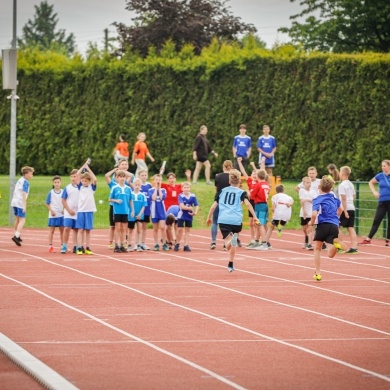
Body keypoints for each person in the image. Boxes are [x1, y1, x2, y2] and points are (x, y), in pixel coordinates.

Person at [206, 169, 259, 272]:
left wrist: (209, 217)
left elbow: (213, 207)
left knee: (228, 243)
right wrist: (255, 216)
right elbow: (248, 204)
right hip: (236, 220)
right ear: (239, 182)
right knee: (233, 244)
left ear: (229, 181)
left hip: (224, 219)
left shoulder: (222, 191)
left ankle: (231, 242)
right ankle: (230, 263)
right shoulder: (242, 192)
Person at [308, 176, 348, 281]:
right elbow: (341, 209)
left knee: (317, 248)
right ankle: (336, 244)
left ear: (319, 187)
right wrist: (336, 218)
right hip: (334, 225)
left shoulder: (317, 199)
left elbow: (313, 214)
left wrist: (311, 223)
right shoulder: (334, 198)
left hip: (322, 225)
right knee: (330, 253)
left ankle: (318, 273)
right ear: (331, 189)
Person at [359, 159, 390, 246]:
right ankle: (368, 239)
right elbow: (371, 182)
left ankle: (388, 239)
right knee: (377, 219)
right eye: (382, 166)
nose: (383, 167)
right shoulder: (380, 175)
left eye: (384, 166)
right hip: (382, 201)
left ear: (389, 166)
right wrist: (374, 192)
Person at [105, 159, 133, 249]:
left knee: (123, 226)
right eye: (122, 164)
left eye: (126, 164)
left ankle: (123, 242)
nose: (124, 165)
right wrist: (116, 169)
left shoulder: (126, 185)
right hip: (114, 207)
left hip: (124, 208)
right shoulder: (113, 184)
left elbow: (131, 175)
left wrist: (123, 171)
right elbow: (106, 176)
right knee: (114, 225)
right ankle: (112, 242)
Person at [257, 184, 294, 250]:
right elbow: (292, 201)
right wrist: (290, 204)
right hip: (287, 214)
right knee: (284, 221)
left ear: (276, 191)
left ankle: (266, 242)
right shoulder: (289, 197)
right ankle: (280, 226)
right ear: (284, 190)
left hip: (278, 214)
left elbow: (273, 208)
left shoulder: (275, 196)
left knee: (271, 227)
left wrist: (273, 213)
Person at [75, 159, 97, 255]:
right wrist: (84, 166)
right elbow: (77, 175)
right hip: (81, 211)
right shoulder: (80, 186)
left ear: (89, 181)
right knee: (80, 230)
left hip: (89, 210)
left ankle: (87, 247)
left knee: (88, 230)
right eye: (83, 181)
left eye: (86, 181)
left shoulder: (91, 188)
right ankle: (79, 247)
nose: (84, 182)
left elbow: (95, 179)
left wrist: (88, 168)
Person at [210, 160, 233, 249]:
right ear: (231, 167)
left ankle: (213, 242)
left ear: (223, 167)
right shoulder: (232, 177)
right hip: (229, 202)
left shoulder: (218, 176)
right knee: (227, 222)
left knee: (215, 221)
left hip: (218, 200)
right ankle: (225, 243)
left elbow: (216, 188)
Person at [236, 157, 258, 247]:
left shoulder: (259, 182)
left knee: (257, 221)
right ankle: (252, 238)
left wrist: (254, 167)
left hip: (257, 202)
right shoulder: (249, 180)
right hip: (250, 201)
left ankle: (257, 238)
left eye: (256, 174)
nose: (254, 175)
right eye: (253, 173)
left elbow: (261, 172)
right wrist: (239, 162)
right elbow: (243, 172)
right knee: (251, 222)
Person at [11, 166, 34, 246]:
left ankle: (17, 234)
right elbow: (24, 194)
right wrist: (24, 205)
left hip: (14, 201)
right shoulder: (26, 182)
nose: (32, 176)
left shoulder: (20, 180)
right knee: (22, 220)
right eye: (31, 174)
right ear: (26, 174)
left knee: (17, 219)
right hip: (20, 202)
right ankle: (16, 236)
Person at [338, 166, 358, 254]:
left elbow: (343, 198)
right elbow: (354, 196)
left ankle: (340, 247)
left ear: (342, 174)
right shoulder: (351, 184)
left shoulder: (342, 185)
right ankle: (354, 247)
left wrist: (345, 211)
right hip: (351, 207)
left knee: (338, 227)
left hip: (344, 208)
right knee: (351, 227)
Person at [174, 182, 199, 252]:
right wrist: (190, 208)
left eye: (187, 187)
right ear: (182, 188)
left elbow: (197, 205)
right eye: (185, 187)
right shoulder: (180, 196)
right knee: (179, 229)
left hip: (189, 215)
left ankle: (186, 244)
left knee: (187, 230)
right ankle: (177, 243)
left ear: (190, 188)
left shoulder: (193, 196)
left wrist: (195, 212)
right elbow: (182, 206)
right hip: (181, 215)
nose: (186, 189)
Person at [250, 169, 270, 248]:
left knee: (260, 224)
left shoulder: (258, 185)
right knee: (258, 224)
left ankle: (264, 242)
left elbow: (252, 195)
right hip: (264, 204)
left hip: (259, 205)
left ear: (258, 176)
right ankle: (257, 241)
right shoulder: (266, 184)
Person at [148, 174, 169, 251]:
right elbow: (153, 198)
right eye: (156, 180)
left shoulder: (163, 190)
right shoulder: (150, 190)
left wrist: (159, 189)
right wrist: (155, 189)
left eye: (159, 180)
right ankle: (156, 243)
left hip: (162, 211)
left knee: (163, 227)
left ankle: (164, 243)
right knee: (155, 228)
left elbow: (161, 198)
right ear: (153, 181)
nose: (158, 181)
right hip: (154, 211)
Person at [61, 169, 80, 254]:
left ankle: (75, 246)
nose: (73, 178)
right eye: (71, 176)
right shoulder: (68, 187)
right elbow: (63, 200)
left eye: (75, 176)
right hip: (68, 212)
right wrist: (68, 210)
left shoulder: (81, 187)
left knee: (76, 229)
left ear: (78, 177)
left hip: (78, 212)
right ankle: (64, 245)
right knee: (67, 228)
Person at [45, 175, 64, 253]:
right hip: (53, 214)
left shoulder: (63, 192)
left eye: (58, 182)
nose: (57, 184)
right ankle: (50, 246)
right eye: (55, 182)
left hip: (61, 214)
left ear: (61, 183)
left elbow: (65, 202)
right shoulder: (51, 192)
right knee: (51, 231)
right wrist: (51, 210)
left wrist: (64, 210)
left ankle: (63, 245)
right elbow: (47, 203)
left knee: (62, 231)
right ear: (53, 183)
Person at [128, 178, 147, 252]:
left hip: (140, 215)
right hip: (131, 215)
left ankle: (138, 244)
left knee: (139, 229)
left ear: (140, 186)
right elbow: (128, 204)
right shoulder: (131, 194)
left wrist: (140, 214)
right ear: (133, 185)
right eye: (136, 185)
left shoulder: (142, 195)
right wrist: (131, 212)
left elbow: (144, 206)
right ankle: (129, 244)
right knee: (130, 230)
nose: (137, 186)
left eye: (139, 185)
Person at [299, 176, 316, 250]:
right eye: (307, 183)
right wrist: (304, 211)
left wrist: (307, 199)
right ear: (304, 183)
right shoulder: (302, 190)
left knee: (310, 227)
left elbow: (314, 200)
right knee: (304, 228)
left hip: (311, 211)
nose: (308, 184)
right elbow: (302, 201)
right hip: (304, 211)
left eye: (309, 183)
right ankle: (306, 238)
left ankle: (309, 244)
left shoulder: (313, 191)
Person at [139, 169, 153, 250]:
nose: (144, 177)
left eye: (145, 175)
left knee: (144, 226)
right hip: (139, 208)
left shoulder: (149, 185)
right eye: (142, 175)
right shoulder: (137, 185)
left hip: (147, 209)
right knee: (138, 227)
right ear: (139, 176)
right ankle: (137, 243)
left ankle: (143, 242)